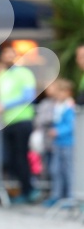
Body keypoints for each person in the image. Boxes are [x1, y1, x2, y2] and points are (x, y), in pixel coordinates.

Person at [0, 44, 39, 204]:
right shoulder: (2, 74)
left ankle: (30, 190)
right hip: (7, 122)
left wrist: (5, 105)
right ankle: (23, 189)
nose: (8, 57)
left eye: (11, 54)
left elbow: (28, 95)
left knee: (21, 157)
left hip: (22, 120)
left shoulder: (24, 73)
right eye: (5, 54)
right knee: (11, 159)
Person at [43, 78, 76, 207]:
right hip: (57, 143)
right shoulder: (57, 105)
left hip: (68, 142)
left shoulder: (70, 107)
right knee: (55, 169)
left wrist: (58, 131)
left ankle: (70, 196)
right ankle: (57, 195)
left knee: (68, 170)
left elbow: (71, 125)